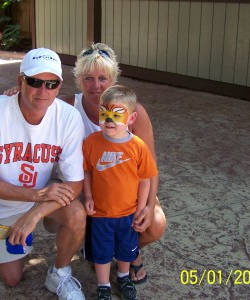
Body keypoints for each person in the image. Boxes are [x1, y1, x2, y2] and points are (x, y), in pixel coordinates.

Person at [5, 43, 167, 284]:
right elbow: (36, 100)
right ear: (78, 80)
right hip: (83, 190)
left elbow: (150, 168)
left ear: (114, 80)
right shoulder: (66, 106)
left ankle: (129, 251)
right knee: (71, 214)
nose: (96, 85)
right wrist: (16, 96)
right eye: (88, 78)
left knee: (155, 223)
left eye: (103, 78)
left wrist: (147, 203)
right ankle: (90, 246)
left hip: (123, 192)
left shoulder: (135, 113)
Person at [0, 48, 86, 300]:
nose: (43, 91)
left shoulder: (68, 117)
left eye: (51, 84)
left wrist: (35, 212)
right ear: (20, 81)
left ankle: (60, 273)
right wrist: (36, 195)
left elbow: (75, 183)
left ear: (59, 85)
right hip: (3, 204)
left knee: (76, 213)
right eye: (34, 82)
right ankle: (6, 233)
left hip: (42, 198)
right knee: (12, 279)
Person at [83, 85, 158, 300]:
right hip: (100, 213)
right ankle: (103, 285)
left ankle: (123, 276)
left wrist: (142, 207)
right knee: (102, 252)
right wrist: (88, 196)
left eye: (116, 115)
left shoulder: (138, 146)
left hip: (127, 213)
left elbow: (145, 179)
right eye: (104, 113)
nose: (108, 120)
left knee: (126, 249)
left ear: (131, 118)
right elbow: (87, 171)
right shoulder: (91, 143)